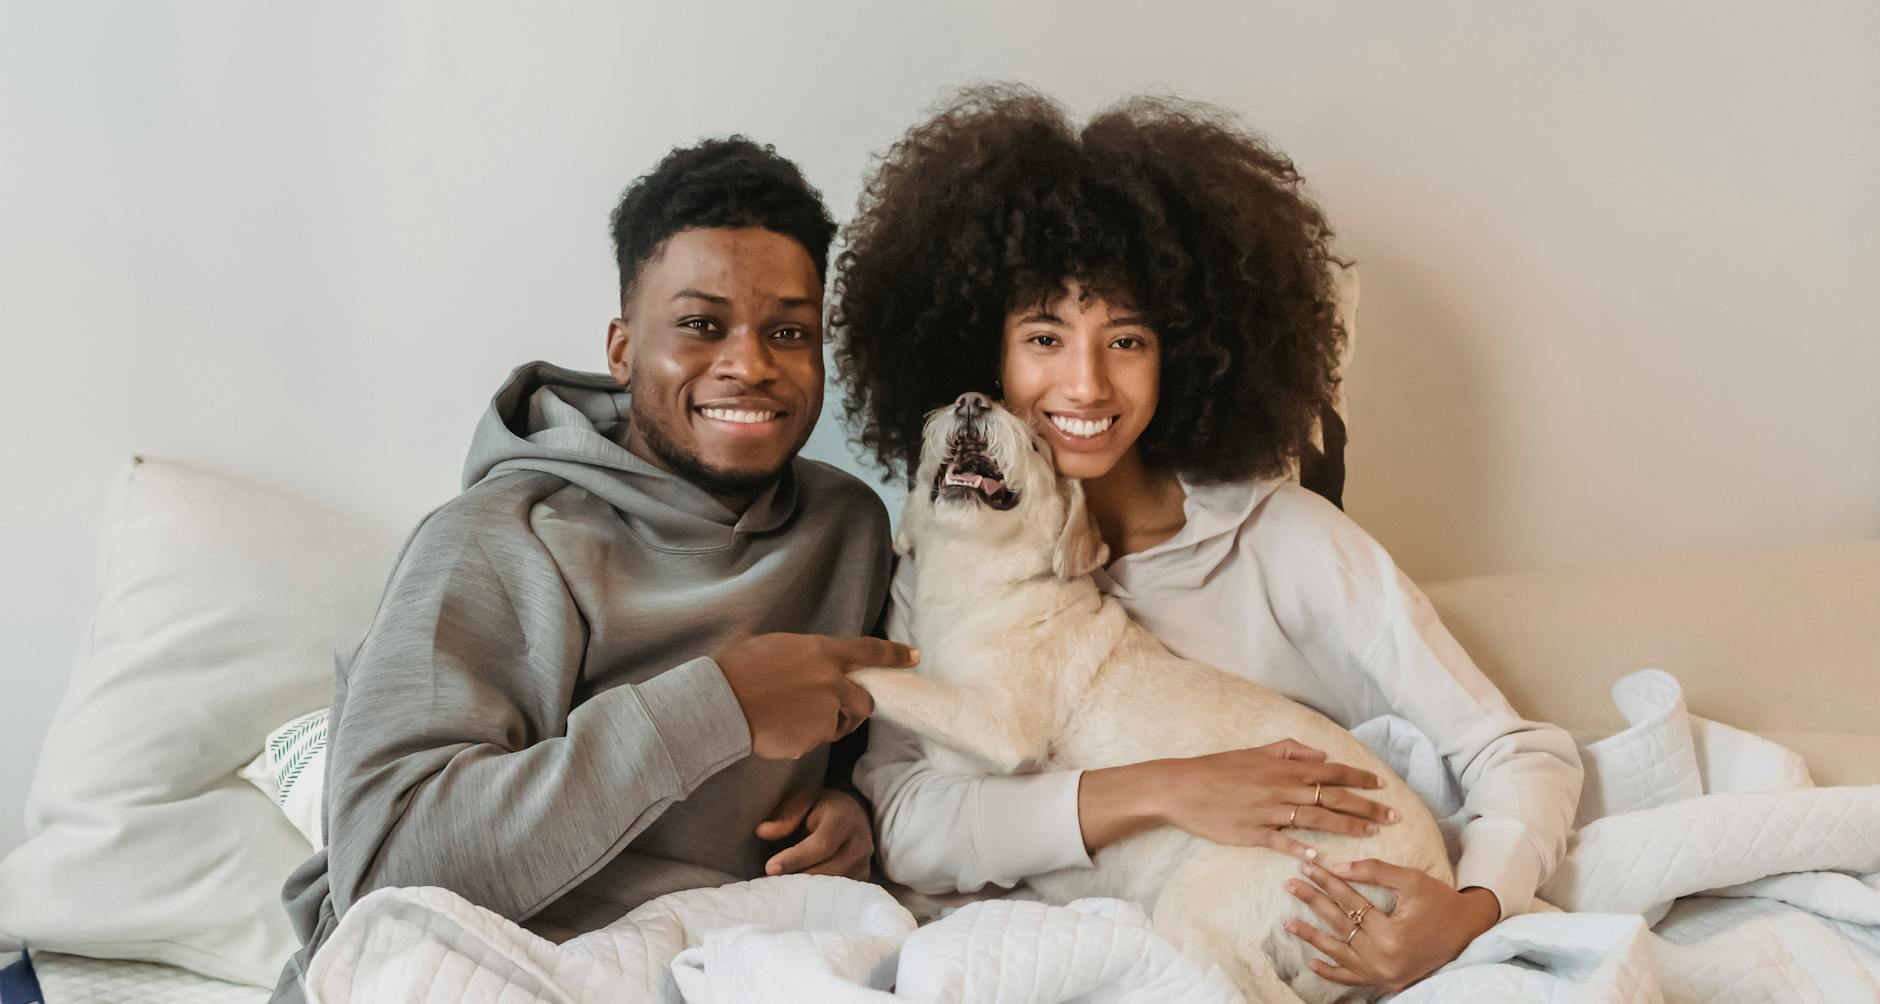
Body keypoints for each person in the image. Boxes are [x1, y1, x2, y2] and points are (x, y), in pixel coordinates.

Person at [834, 85, 1584, 994]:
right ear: (985, 353)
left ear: (1184, 351)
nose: (1083, 384)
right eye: (1043, 335)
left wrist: (1469, 913)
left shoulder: (1286, 541)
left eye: (1127, 339)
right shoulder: (948, 551)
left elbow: (1517, 753)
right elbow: (908, 819)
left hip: (1281, 912)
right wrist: (1157, 788)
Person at [269, 137, 915, 1002]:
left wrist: (849, 816)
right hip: (488, 962)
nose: (750, 363)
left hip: (726, 960)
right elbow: (388, 870)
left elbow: (860, 752)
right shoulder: (495, 539)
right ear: (620, 349)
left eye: (788, 332)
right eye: (700, 324)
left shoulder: (851, 528)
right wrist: (717, 707)